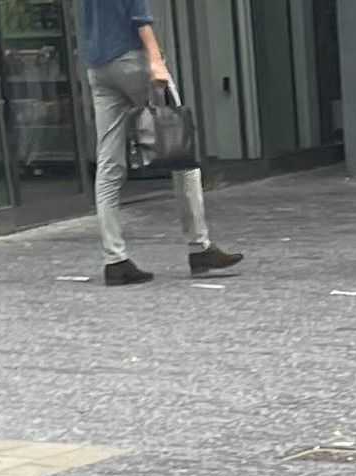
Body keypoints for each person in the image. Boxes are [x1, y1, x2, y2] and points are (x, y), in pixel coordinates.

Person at [78, 0, 242, 285]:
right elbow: (139, 15)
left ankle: (115, 260)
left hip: (99, 67)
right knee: (181, 147)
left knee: (108, 163)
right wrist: (156, 60)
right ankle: (198, 246)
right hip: (132, 59)